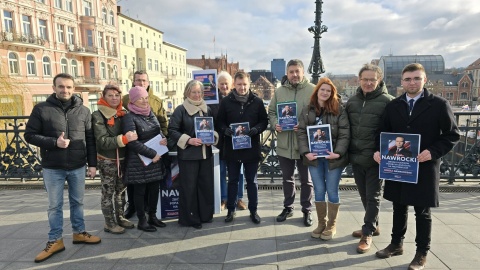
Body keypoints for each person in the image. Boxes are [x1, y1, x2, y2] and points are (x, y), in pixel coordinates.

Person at [374, 63, 460, 270]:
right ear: (402, 82)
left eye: (416, 78)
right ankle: (396, 244)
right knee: (398, 206)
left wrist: (433, 151)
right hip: (399, 165)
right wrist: (378, 151)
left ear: (424, 80)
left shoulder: (439, 104)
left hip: (424, 166)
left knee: (422, 211)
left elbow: (452, 135)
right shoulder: (394, 105)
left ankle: (422, 252)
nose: (412, 82)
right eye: (408, 79)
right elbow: (382, 132)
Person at [25, 73, 101, 263]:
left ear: (73, 89)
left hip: (77, 166)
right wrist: (53, 143)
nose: (65, 90)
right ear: (54, 88)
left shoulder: (84, 111)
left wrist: (92, 164)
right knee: (54, 206)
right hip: (53, 167)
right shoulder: (41, 109)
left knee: (78, 202)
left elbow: (90, 140)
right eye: (61, 86)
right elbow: (30, 135)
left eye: (68, 87)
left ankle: (79, 232)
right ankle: (55, 240)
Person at [345, 64, 394, 253]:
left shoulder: (388, 101)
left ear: (379, 80)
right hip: (356, 157)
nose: (368, 83)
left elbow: (393, 131)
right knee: (364, 195)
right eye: (364, 79)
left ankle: (368, 233)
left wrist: (382, 150)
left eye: (372, 79)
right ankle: (374, 224)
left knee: (373, 196)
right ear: (359, 80)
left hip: (376, 158)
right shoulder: (352, 101)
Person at [297, 77, 350, 240]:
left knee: (332, 190)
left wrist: (338, 153)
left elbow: (344, 133)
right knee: (319, 190)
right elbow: (301, 132)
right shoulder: (306, 110)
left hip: (333, 158)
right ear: (317, 91)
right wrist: (306, 152)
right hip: (314, 158)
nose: (325, 93)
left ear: (332, 93)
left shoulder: (339, 109)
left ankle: (331, 225)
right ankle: (321, 223)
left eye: (329, 90)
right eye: (323, 90)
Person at [268, 59, 314, 226]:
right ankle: (288, 207)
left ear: (302, 72)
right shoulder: (279, 92)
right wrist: (275, 124)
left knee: (306, 180)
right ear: (287, 73)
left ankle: (307, 209)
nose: (294, 74)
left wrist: (305, 124)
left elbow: (319, 114)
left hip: (305, 145)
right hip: (284, 143)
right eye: (291, 71)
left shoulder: (312, 90)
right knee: (287, 179)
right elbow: (272, 111)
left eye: (297, 71)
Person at [217, 71, 268, 224]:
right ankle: (231, 210)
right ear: (234, 84)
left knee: (251, 181)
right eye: (239, 84)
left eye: (245, 84)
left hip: (251, 148)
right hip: (232, 148)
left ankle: (254, 210)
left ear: (248, 84)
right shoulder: (226, 102)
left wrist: (257, 129)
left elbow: (264, 122)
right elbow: (220, 122)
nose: (242, 87)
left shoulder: (257, 102)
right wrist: (225, 130)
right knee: (232, 180)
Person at [168, 80, 218, 229]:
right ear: (187, 92)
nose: (197, 95)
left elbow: (213, 129)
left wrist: (212, 139)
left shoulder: (207, 109)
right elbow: (172, 131)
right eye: (194, 92)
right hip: (188, 156)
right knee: (189, 188)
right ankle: (190, 218)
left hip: (205, 155)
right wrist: (188, 140)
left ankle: (205, 215)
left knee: (205, 186)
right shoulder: (180, 110)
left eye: (199, 92)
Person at [122, 70, 168, 219]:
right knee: (139, 191)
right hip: (139, 160)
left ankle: (152, 217)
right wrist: (152, 154)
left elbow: (161, 126)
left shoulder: (151, 111)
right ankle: (142, 219)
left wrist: (163, 139)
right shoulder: (129, 115)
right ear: (133, 100)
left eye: (146, 98)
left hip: (154, 158)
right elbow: (132, 142)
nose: (144, 101)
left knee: (154, 189)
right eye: (141, 98)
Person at [92, 85, 137, 234]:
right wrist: (123, 139)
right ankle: (109, 222)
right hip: (107, 160)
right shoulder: (98, 115)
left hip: (123, 159)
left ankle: (120, 217)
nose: (114, 98)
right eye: (110, 95)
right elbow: (102, 141)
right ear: (103, 96)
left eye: (117, 95)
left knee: (121, 191)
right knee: (108, 192)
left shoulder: (122, 114)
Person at [209, 71, 246, 211]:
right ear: (217, 85)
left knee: (239, 172)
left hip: (236, 141)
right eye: (221, 83)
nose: (224, 86)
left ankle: (239, 198)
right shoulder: (212, 101)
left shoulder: (237, 98)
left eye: (226, 83)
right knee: (221, 172)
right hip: (219, 141)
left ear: (231, 84)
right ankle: (224, 198)